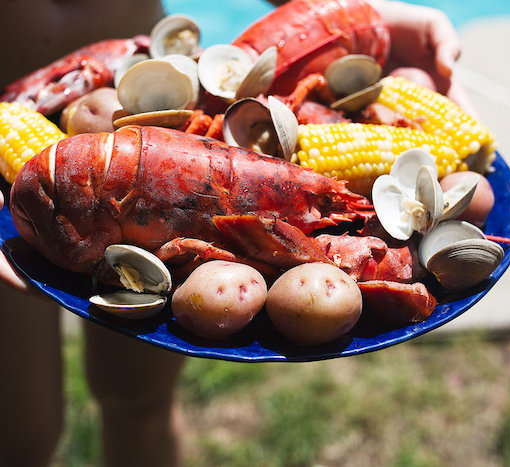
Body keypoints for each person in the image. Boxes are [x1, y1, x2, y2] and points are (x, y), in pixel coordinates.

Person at [0, 0, 472, 465]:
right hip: (28, 173)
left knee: (140, 402)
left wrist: (368, 15)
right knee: (23, 432)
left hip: (139, 64)